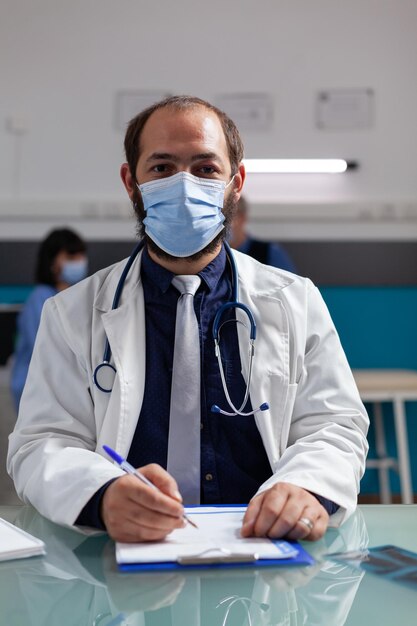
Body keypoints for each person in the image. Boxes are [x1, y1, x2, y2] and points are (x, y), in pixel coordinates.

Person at [8, 96, 368, 545]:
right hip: (124, 565)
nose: (184, 186)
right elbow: (42, 443)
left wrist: (304, 487)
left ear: (236, 182)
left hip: (263, 551)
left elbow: (334, 426)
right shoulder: (71, 313)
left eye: (205, 168)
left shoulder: (295, 301)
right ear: (130, 182)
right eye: (161, 168)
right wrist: (100, 495)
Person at [10, 228, 88, 411]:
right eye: (70, 256)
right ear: (52, 262)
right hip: (38, 394)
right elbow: (49, 349)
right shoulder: (41, 298)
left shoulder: (77, 297)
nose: (78, 262)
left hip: (62, 393)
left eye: (80, 255)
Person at [229, 196, 297, 271]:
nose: (222, 222)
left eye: (228, 216)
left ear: (242, 218)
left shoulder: (268, 252)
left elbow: (288, 281)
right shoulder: (215, 255)